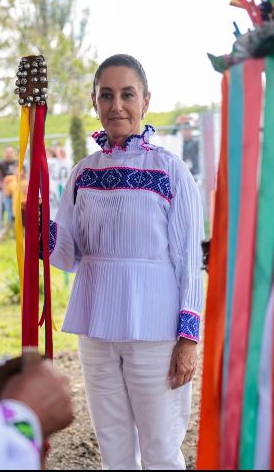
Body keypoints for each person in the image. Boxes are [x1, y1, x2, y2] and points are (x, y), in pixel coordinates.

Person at [47, 54, 203, 469]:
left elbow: (189, 260)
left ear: (145, 100)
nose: (117, 105)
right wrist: (35, 221)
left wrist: (188, 339)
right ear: (95, 102)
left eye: (127, 94)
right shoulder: (82, 173)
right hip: (96, 328)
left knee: (160, 446)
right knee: (113, 445)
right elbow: (67, 251)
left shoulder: (171, 171)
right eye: (107, 95)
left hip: (155, 330)